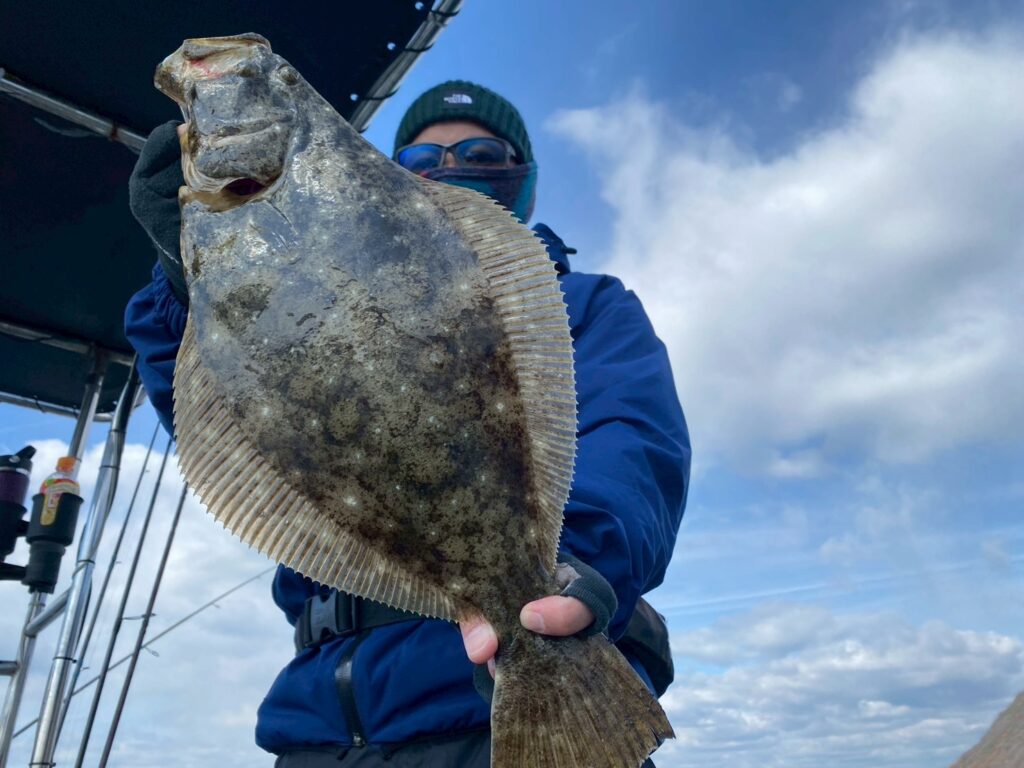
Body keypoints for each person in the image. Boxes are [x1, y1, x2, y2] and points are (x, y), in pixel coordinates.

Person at [126, 79, 690, 767]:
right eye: (421, 161)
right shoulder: (309, 297)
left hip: (494, 703)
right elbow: (220, 420)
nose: (449, 170)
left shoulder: (582, 304)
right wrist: (192, 283)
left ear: (524, 180)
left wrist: (563, 578)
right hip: (319, 730)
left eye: (481, 154)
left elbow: (633, 444)